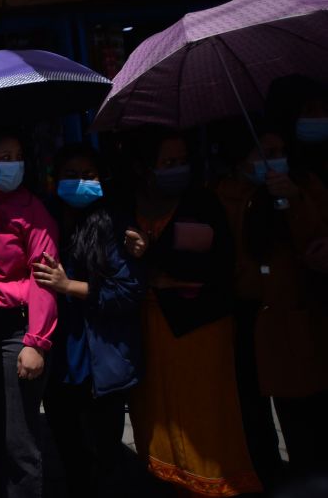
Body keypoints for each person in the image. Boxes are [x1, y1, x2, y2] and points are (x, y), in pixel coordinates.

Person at [124, 129, 261, 496]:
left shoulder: (204, 202)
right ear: (146, 167)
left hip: (201, 328)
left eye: (182, 161)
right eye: (168, 162)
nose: (177, 169)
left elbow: (220, 263)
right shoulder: (128, 205)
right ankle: (169, 479)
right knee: (159, 411)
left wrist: (157, 261)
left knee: (206, 415)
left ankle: (214, 483)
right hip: (151, 327)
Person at [216, 126, 328, 482]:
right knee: (251, 410)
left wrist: (292, 199)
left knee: (300, 408)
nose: (274, 158)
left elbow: (317, 244)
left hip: (290, 314)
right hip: (244, 314)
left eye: (280, 150)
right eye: (264, 152)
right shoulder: (223, 194)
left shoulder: (304, 187)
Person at [33, 143, 144, 498]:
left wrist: (69, 286)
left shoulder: (115, 222)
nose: (80, 182)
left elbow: (126, 292)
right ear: (55, 180)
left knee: (105, 455)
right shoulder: (42, 219)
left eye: (88, 175)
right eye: (71, 175)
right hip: (58, 354)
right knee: (69, 450)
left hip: (100, 356)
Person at [0, 128, 58, 498]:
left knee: (19, 441)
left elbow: (45, 277)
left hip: (16, 332)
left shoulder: (32, 209)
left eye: (17, 156)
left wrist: (36, 341)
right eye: (3, 158)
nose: (12, 165)